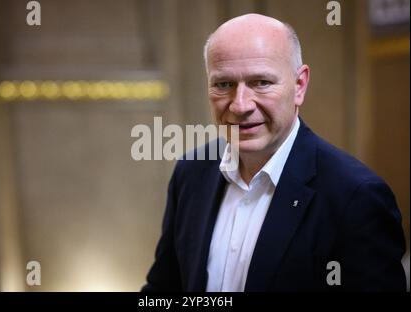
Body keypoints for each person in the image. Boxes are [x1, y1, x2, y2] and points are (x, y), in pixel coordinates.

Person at [142, 13, 406, 291]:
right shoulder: (192, 172)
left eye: (261, 83)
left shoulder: (356, 197)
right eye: (224, 84)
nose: (240, 105)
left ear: (299, 86)